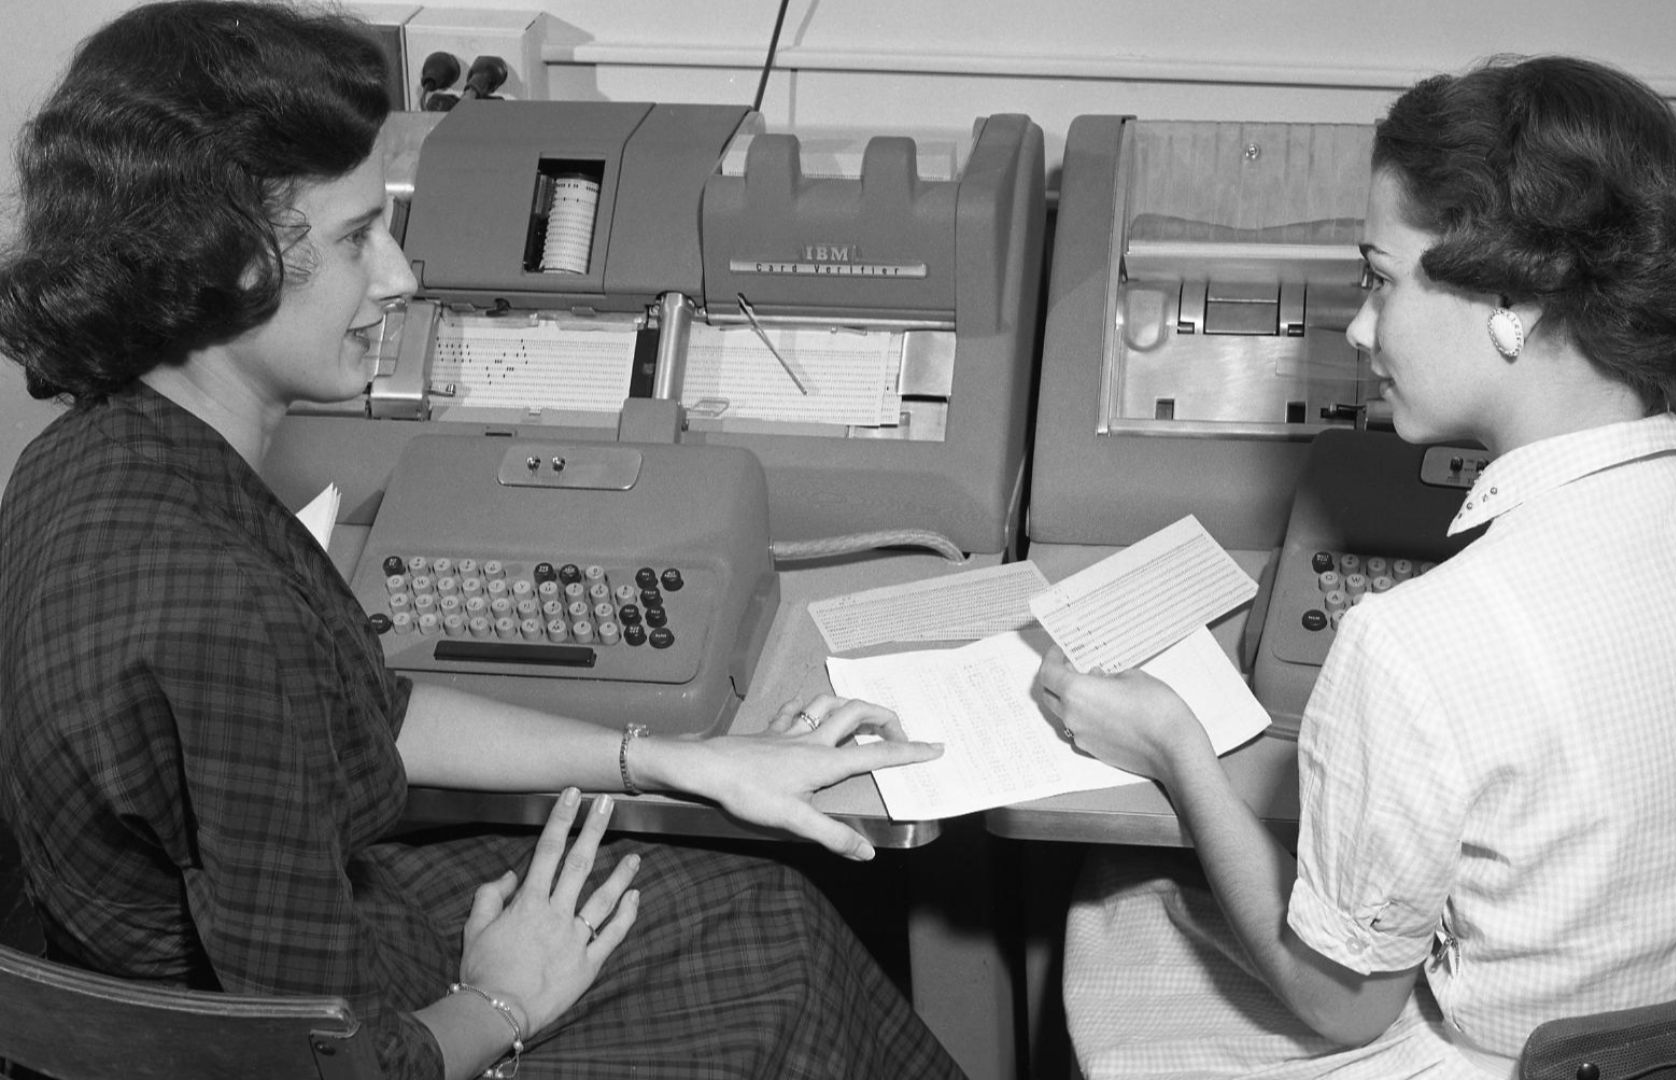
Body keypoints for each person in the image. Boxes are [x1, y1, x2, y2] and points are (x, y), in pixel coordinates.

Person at [0, 3, 964, 1078]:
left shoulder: (93, 457)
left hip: (313, 955)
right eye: (357, 238)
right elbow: (329, 1066)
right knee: (787, 969)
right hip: (317, 1044)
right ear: (221, 260)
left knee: (778, 915)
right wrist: (504, 997)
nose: (401, 278)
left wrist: (674, 761)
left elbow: (372, 717)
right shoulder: (211, 614)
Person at [1040, 55, 1676, 1079]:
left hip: (1499, 1061)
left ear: (1514, 300)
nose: (1359, 327)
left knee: (1113, 905)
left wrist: (1177, 750)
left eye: (1379, 278)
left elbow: (1340, 1006)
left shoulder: (1413, 645)